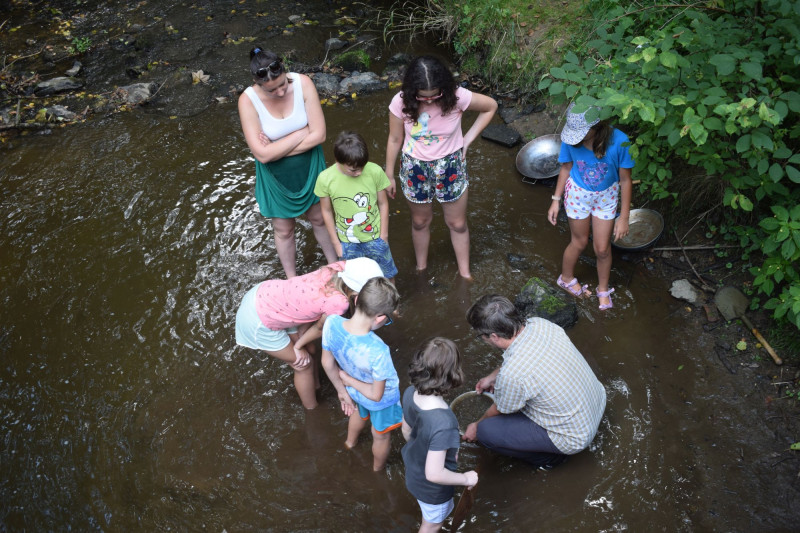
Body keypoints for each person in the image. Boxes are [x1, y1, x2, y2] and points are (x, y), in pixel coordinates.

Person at [385, 55, 497, 280]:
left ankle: (465, 274)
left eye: (434, 95)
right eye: (422, 97)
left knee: (457, 223)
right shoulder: (401, 101)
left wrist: (467, 139)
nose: (428, 101)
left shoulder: (457, 96)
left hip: (450, 166)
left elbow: (490, 107)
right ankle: (421, 268)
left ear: (444, 88)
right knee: (420, 221)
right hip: (414, 168)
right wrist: (389, 174)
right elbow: (394, 139)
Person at [463, 294, 606, 469]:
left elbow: (500, 408)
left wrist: (476, 425)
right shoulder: (539, 324)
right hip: (596, 402)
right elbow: (526, 358)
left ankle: (549, 460)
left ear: (493, 336)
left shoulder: (513, 374)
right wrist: (492, 377)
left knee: (487, 431)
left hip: (574, 437)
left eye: (482, 337)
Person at [237, 46, 337, 278]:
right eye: (272, 90)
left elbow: (320, 135)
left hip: (310, 167)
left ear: (285, 71)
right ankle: (292, 279)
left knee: (319, 218)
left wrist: (274, 148)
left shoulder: (303, 84)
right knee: (283, 230)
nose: (281, 92)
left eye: (283, 84)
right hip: (275, 177)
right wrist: (301, 133)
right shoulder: (247, 100)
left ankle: (334, 265)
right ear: (257, 83)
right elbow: (262, 156)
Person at [235, 257, 384, 409]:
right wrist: (298, 346)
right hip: (258, 320)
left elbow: (310, 307)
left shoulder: (335, 269)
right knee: (303, 364)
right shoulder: (339, 303)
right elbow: (319, 327)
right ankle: (312, 409)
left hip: (268, 295)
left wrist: (302, 340)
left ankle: (316, 387)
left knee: (311, 349)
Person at [547, 103, 635, 309]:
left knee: (603, 249)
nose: (577, 137)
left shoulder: (620, 142)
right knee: (579, 242)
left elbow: (625, 180)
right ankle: (566, 279)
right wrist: (555, 200)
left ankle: (603, 289)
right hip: (578, 195)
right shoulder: (571, 141)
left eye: (582, 133)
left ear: (597, 126)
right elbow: (566, 167)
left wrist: (623, 217)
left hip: (606, 197)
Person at [320, 276, 402, 471]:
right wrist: (348, 380)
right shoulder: (378, 350)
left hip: (354, 392)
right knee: (381, 435)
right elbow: (376, 394)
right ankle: (377, 470)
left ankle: (349, 443)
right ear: (381, 317)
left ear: (356, 300)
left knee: (358, 411)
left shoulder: (331, 323)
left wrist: (342, 390)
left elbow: (326, 362)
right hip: (382, 401)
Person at [401, 337, 478, 533]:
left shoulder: (410, 392)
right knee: (432, 525)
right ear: (453, 374)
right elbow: (434, 474)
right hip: (432, 490)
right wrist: (466, 478)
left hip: (412, 471)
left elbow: (406, 430)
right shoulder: (444, 422)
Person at [314, 131, 398, 281]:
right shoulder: (325, 179)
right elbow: (326, 211)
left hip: (375, 237)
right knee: (353, 280)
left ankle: (392, 302)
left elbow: (383, 204)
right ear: (338, 160)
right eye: (353, 169)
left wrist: (383, 236)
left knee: (387, 274)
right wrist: (336, 243)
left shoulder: (375, 171)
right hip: (347, 242)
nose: (359, 172)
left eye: (362, 167)